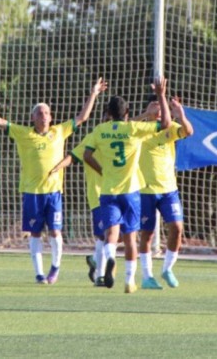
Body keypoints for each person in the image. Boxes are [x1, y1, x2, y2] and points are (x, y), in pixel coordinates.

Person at [0, 78, 107, 284]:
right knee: (35, 232)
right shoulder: (23, 134)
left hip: (54, 192)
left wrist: (94, 93)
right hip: (32, 192)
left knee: (56, 231)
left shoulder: (59, 131)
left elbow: (82, 117)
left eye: (46, 113)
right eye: (39, 113)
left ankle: (55, 269)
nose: (44, 115)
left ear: (51, 117)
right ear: (32, 117)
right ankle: (39, 274)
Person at [83, 77, 170, 294]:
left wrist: (101, 170)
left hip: (108, 191)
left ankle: (110, 258)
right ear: (127, 112)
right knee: (131, 237)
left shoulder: (100, 130)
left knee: (111, 233)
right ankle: (129, 281)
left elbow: (86, 155)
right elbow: (166, 124)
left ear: (110, 113)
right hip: (131, 191)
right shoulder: (133, 129)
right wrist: (161, 95)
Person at [134, 96, 194, 289]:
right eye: (154, 104)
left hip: (168, 190)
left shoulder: (168, 128)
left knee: (177, 228)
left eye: (162, 106)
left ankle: (167, 268)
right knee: (147, 234)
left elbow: (188, 131)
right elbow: (125, 126)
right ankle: (147, 276)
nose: (159, 108)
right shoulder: (139, 130)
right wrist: (145, 114)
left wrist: (181, 114)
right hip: (145, 190)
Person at [48, 133, 106, 286]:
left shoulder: (125, 133)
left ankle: (95, 259)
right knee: (105, 235)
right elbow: (73, 156)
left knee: (121, 235)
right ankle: (100, 275)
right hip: (99, 195)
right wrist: (57, 167)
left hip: (122, 192)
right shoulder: (95, 136)